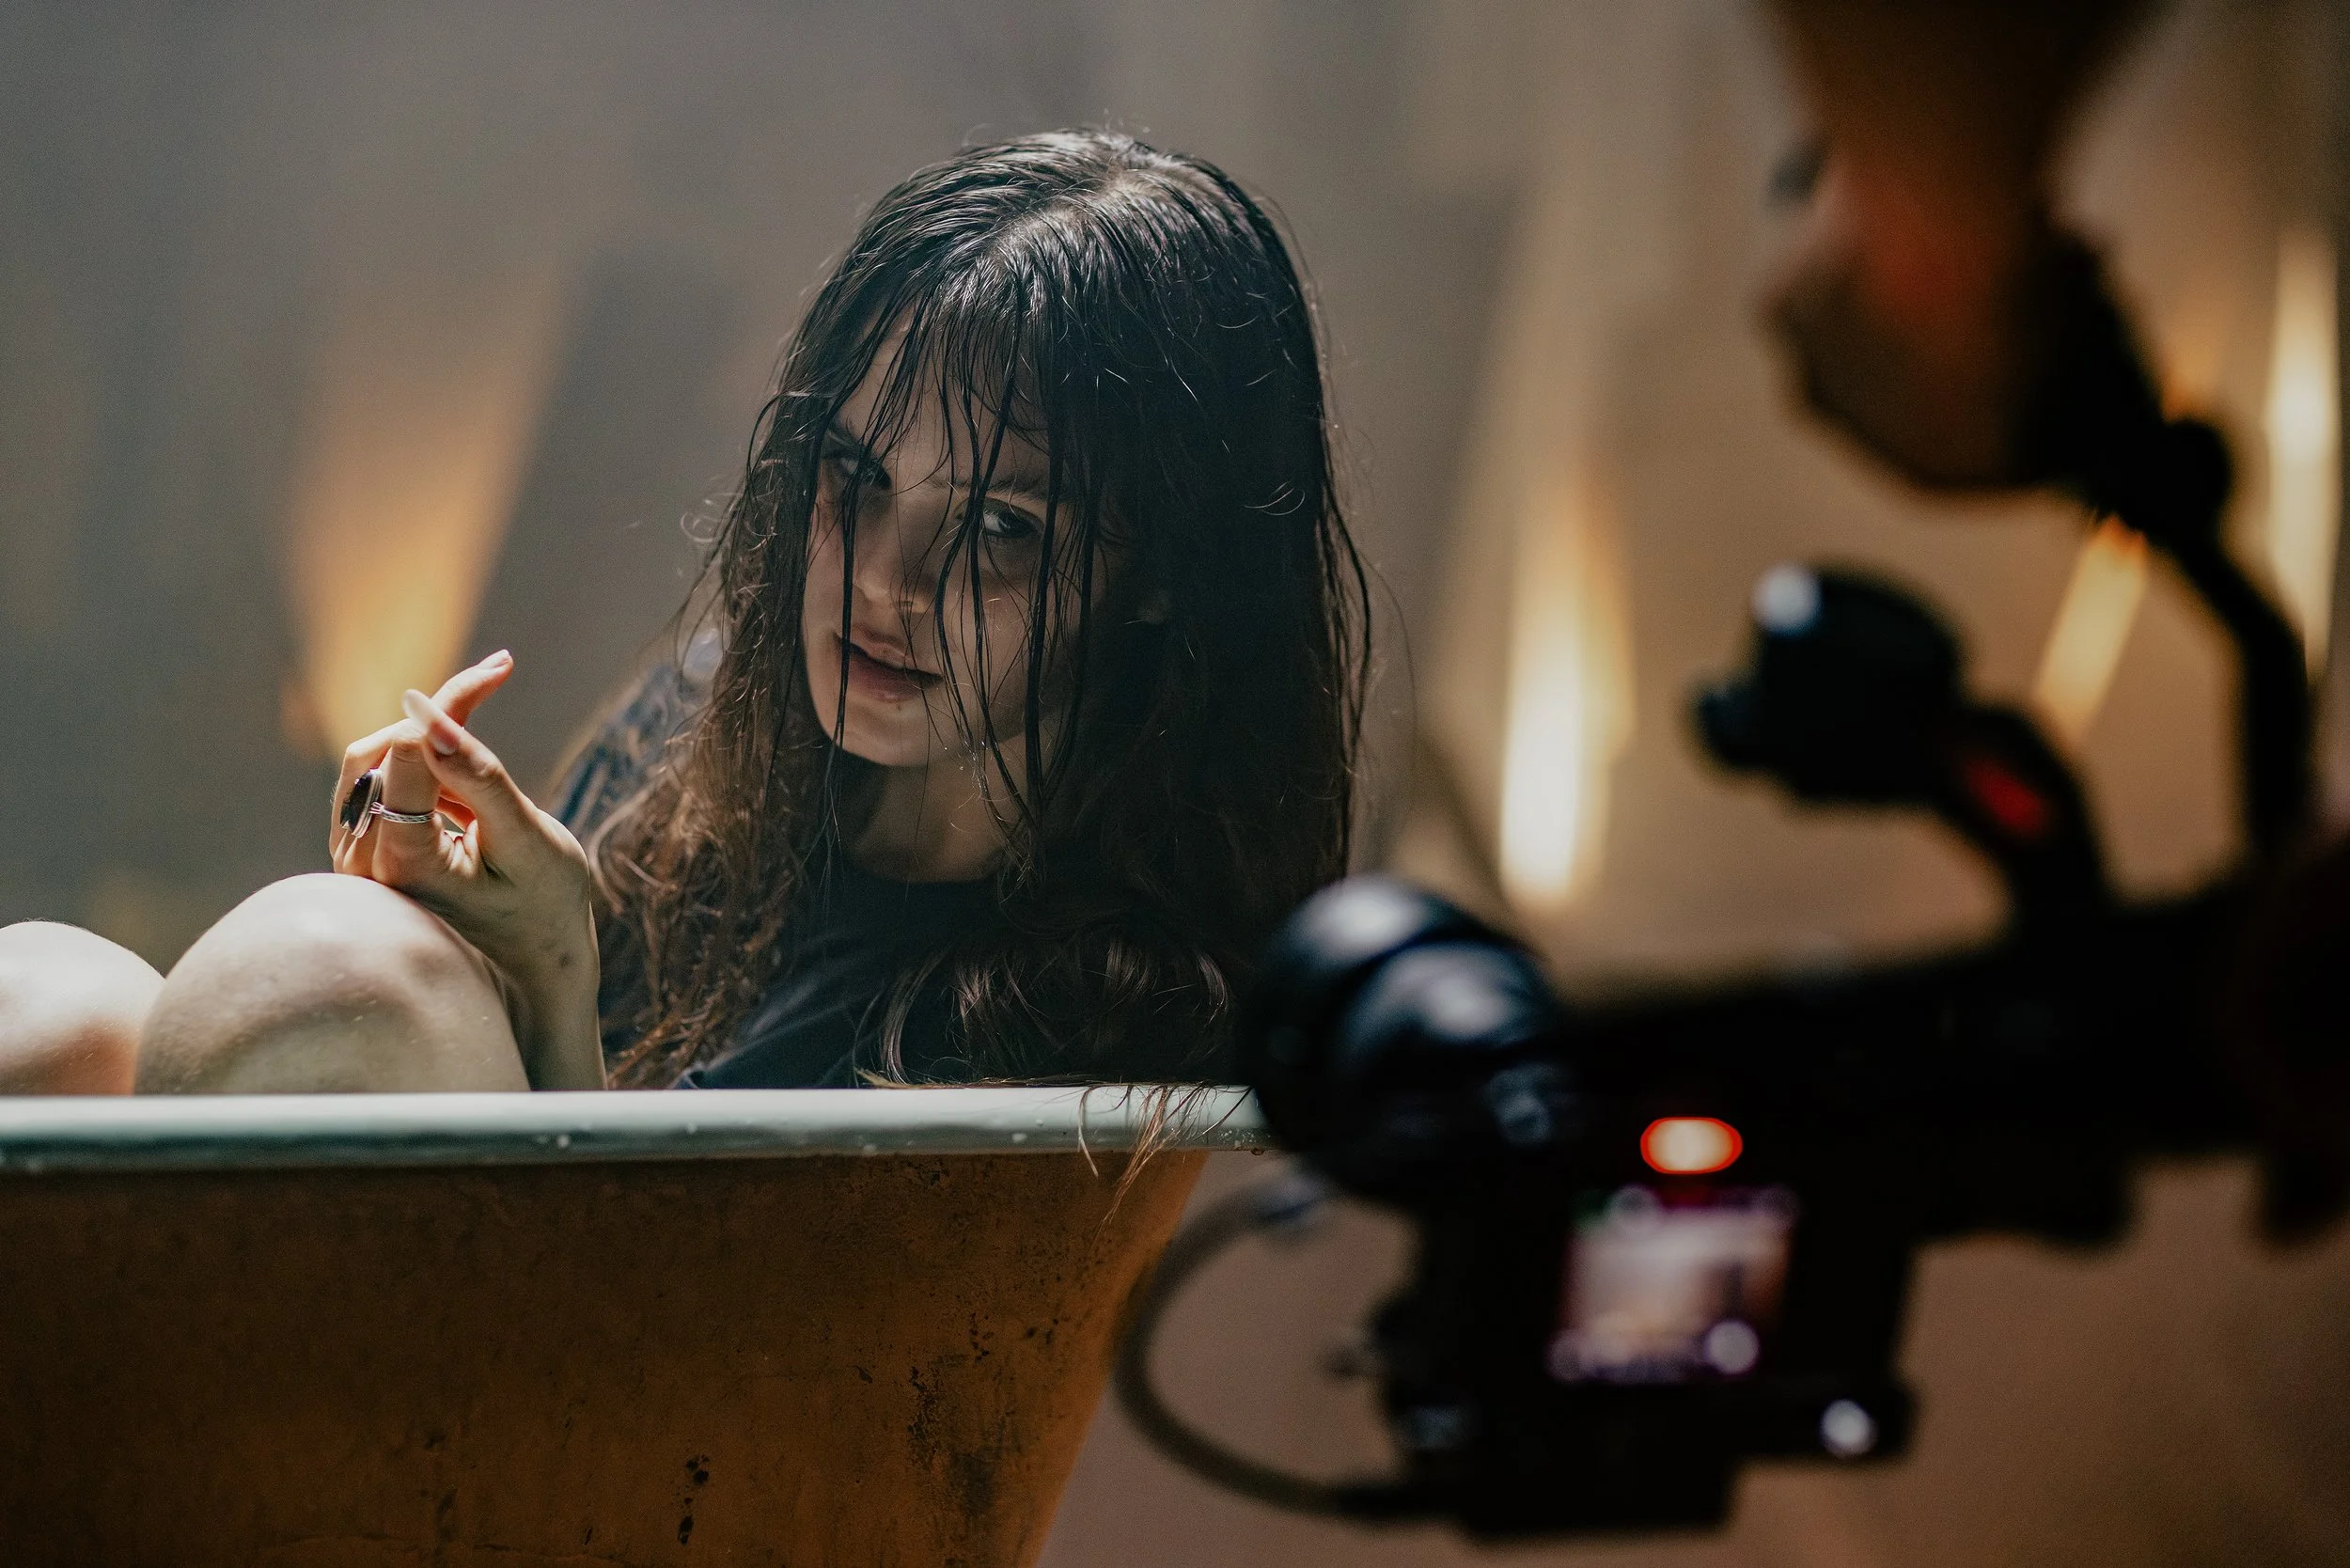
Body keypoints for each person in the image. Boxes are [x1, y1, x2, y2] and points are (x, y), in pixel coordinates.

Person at [0, 129, 1370, 1095]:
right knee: (52, 997)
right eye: (852, 475)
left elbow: (683, 1367)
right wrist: (469, 923)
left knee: (340, 985)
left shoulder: (1109, 1007)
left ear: (1159, 579)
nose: (880, 581)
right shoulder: (712, 727)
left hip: (631, 1449)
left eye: (1001, 530)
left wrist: (543, 976)